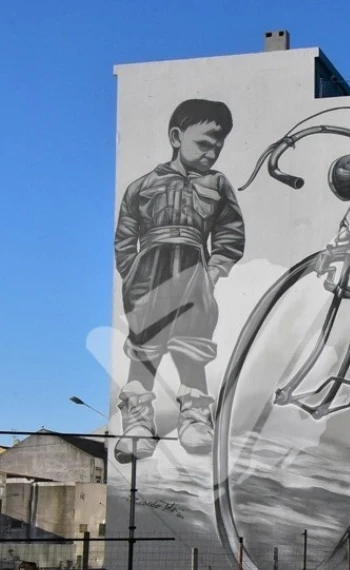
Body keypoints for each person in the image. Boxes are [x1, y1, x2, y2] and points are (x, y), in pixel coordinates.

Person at [113, 99, 246, 462]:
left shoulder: (218, 184)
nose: (212, 152)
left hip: (193, 272)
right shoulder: (142, 186)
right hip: (149, 275)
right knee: (144, 344)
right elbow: (125, 237)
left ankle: (195, 418)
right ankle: (138, 422)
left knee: (193, 345)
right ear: (176, 137)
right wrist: (132, 274)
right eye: (204, 143)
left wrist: (215, 270)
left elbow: (230, 232)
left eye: (218, 145)